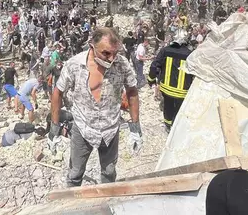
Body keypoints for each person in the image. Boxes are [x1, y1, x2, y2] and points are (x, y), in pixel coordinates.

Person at [49, 27, 142, 187]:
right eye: (106, 53)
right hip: (83, 127)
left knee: (109, 172)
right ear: (92, 45)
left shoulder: (122, 64)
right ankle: (71, 205)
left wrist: (135, 128)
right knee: (75, 173)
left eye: (115, 53)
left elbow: (132, 91)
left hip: (110, 129)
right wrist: (54, 130)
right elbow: (58, 92)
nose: (111, 58)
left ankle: (106, 204)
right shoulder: (75, 65)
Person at [148, 38, 196, 132]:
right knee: (178, 110)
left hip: (167, 89)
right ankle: (176, 128)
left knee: (168, 107)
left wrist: (151, 80)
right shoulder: (190, 54)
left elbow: (154, 66)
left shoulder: (165, 50)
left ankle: (168, 126)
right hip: (183, 92)